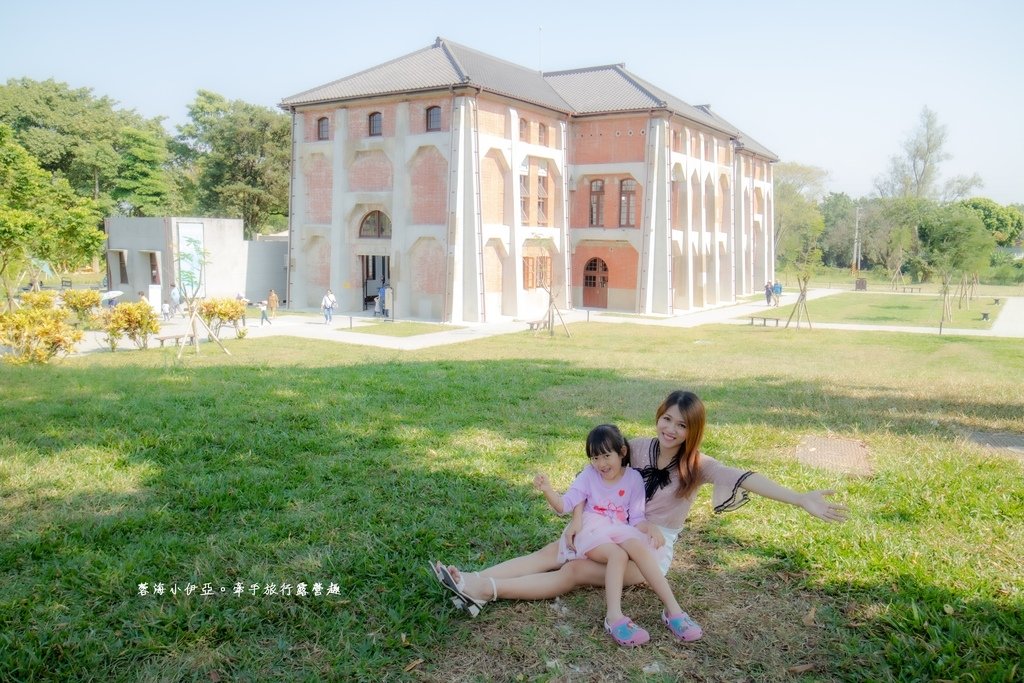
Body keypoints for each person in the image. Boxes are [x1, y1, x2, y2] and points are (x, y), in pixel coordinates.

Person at [433, 390, 848, 628]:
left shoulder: (698, 466)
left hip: (648, 545)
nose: (670, 430)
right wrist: (576, 520)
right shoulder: (637, 447)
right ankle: (467, 578)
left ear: (693, 431)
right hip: (604, 525)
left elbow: (744, 477)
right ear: (658, 417)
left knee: (573, 571)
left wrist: (799, 498)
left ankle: (485, 591)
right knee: (551, 551)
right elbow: (594, 471)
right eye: (666, 419)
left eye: (681, 425)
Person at [533, 424, 702, 646]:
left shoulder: (633, 479)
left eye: (606, 455)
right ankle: (614, 617)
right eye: (595, 458)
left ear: (622, 452)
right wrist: (548, 491)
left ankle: (674, 611)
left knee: (639, 547)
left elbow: (637, 519)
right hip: (591, 529)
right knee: (618, 555)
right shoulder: (589, 475)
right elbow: (563, 505)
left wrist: (650, 527)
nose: (601, 464)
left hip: (617, 529)